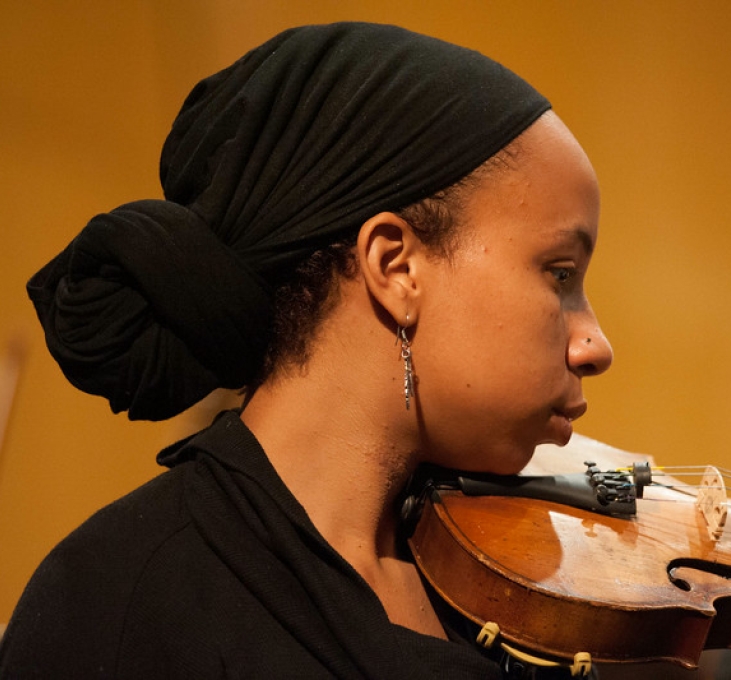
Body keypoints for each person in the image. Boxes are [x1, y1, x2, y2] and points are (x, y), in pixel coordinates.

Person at [0, 23, 612, 679]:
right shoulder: (116, 605)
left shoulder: (530, 600)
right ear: (397, 267)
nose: (595, 346)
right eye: (560, 274)